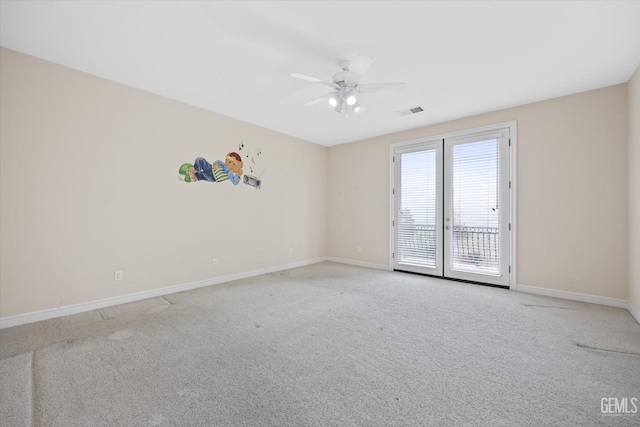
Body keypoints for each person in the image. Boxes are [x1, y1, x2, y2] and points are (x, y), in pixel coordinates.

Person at [179, 152, 243, 185]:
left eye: (233, 164)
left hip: (212, 176)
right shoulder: (223, 164)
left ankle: (192, 177)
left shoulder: (230, 173)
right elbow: (218, 161)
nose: (230, 164)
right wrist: (215, 164)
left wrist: (238, 175)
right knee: (200, 159)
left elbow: (235, 182)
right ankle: (195, 169)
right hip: (210, 168)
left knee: (202, 174)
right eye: (229, 161)